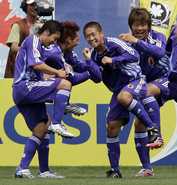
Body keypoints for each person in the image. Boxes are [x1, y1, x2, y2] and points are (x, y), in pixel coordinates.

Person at [82, 21, 160, 178]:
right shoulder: (95, 55)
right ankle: (115, 170)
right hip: (119, 90)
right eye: (88, 36)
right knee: (111, 127)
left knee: (124, 97)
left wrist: (113, 60)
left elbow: (134, 55)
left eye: (93, 34)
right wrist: (89, 61)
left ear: (101, 34)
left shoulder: (114, 43)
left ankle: (153, 129)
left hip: (135, 81)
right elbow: (97, 78)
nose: (91, 38)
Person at [13, 20, 74, 178]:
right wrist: (58, 72)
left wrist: (59, 70)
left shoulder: (40, 47)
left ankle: (27, 169)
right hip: (24, 87)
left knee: (41, 127)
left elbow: (39, 66)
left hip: (24, 91)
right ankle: (57, 123)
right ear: (45, 32)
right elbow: (36, 65)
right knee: (65, 84)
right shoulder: (33, 40)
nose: (53, 42)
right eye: (53, 38)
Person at [119, 8, 169, 176]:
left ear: (149, 25)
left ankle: (157, 134)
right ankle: (147, 168)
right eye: (135, 25)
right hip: (143, 83)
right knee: (139, 123)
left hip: (165, 80)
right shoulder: (125, 41)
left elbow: (160, 52)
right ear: (130, 26)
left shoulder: (158, 37)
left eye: (143, 25)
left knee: (145, 90)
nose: (139, 29)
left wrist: (136, 41)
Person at [43, 21, 101, 115]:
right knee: (65, 79)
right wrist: (90, 73)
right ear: (69, 40)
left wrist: (91, 62)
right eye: (76, 41)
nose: (78, 44)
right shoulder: (55, 53)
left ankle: (64, 106)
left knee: (43, 127)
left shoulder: (67, 52)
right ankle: (64, 106)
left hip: (46, 86)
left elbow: (81, 67)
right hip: (33, 86)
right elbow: (71, 79)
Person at [4, 0, 40, 78]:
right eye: (32, 5)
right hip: (18, 71)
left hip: (35, 71)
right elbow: (14, 47)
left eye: (36, 5)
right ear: (26, 7)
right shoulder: (18, 25)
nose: (35, 7)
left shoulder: (42, 27)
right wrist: (31, 52)